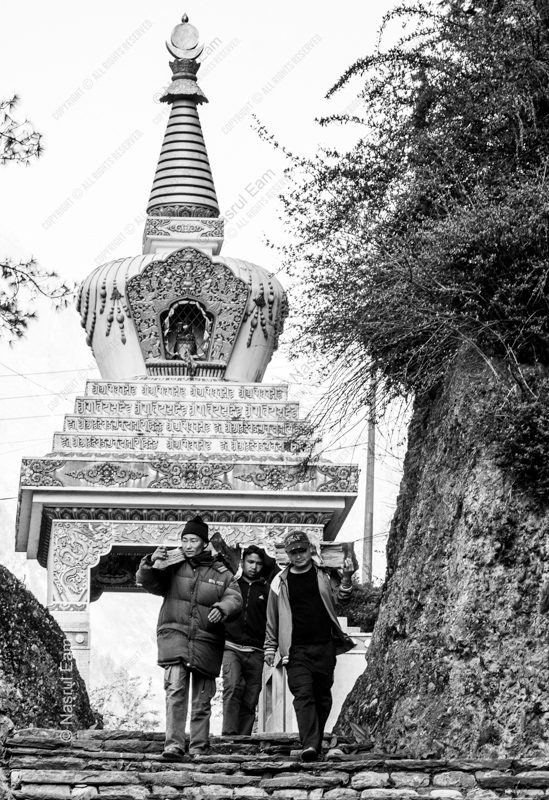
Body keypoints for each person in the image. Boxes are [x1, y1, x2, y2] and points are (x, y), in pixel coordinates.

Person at [136, 515, 242, 759]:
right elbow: (148, 582)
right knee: (175, 692)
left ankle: (198, 747)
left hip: (207, 642)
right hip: (176, 638)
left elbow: (235, 597)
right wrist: (150, 562)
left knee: (202, 700)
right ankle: (173, 744)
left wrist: (222, 608)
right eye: (184, 540)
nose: (188, 545)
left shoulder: (220, 572)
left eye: (194, 540)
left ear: (204, 543)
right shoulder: (172, 566)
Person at [264, 530, 356, 762]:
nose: (298, 556)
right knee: (303, 694)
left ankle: (313, 740)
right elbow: (272, 618)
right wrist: (269, 647)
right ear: (287, 555)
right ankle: (310, 744)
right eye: (293, 552)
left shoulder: (324, 575)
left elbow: (342, 599)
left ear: (310, 550)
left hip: (324, 645)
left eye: (302, 550)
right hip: (295, 650)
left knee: (322, 695)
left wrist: (346, 578)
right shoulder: (279, 582)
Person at [222, 545, 270, 735]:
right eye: (250, 562)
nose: (254, 567)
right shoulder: (231, 585)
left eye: (258, 563)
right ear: (242, 562)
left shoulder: (267, 591)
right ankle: (228, 736)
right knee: (232, 688)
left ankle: (242, 739)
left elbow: (272, 620)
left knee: (251, 697)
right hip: (231, 647)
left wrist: (270, 647)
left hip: (256, 651)